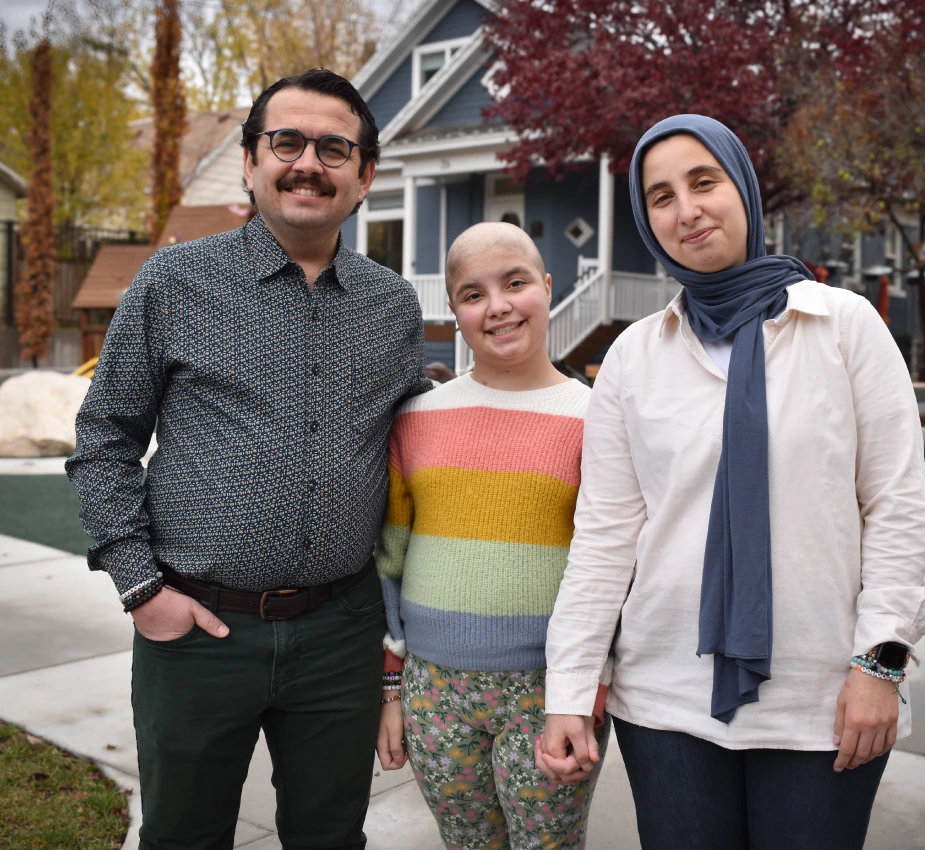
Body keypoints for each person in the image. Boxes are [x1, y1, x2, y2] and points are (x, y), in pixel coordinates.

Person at [536, 115, 925, 850]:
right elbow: (604, 537)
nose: (685, 210)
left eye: (703, 182)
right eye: (660, 197)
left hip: (827, 699)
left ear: (742, 189)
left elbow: (899, 508)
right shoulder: (633, 356)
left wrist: (881, 662)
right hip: (665, 702)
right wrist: (569, 687)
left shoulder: (843, 327)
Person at [66, 69, 431, 850]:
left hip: (341, 634)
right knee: (184, 836)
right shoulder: (173, 283)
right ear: (248, 160)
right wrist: (141, 589)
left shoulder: (393, 307)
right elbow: (104, 439)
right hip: (198, 632)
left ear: (364, 175)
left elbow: (420, 444)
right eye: (287, 141)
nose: (309, 162)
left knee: (331, 838)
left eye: (335, 147)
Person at [374, 222, 611, 850]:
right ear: (453, 311)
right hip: (436, 692)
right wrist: (391, 690)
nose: (498, 306)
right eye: (473, 294)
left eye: (515, 283)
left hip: (550, 691)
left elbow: (617, 568)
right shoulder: (417, 418)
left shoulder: (595, 420)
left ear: (548, 287)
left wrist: (594, 688)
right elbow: (389, 564)